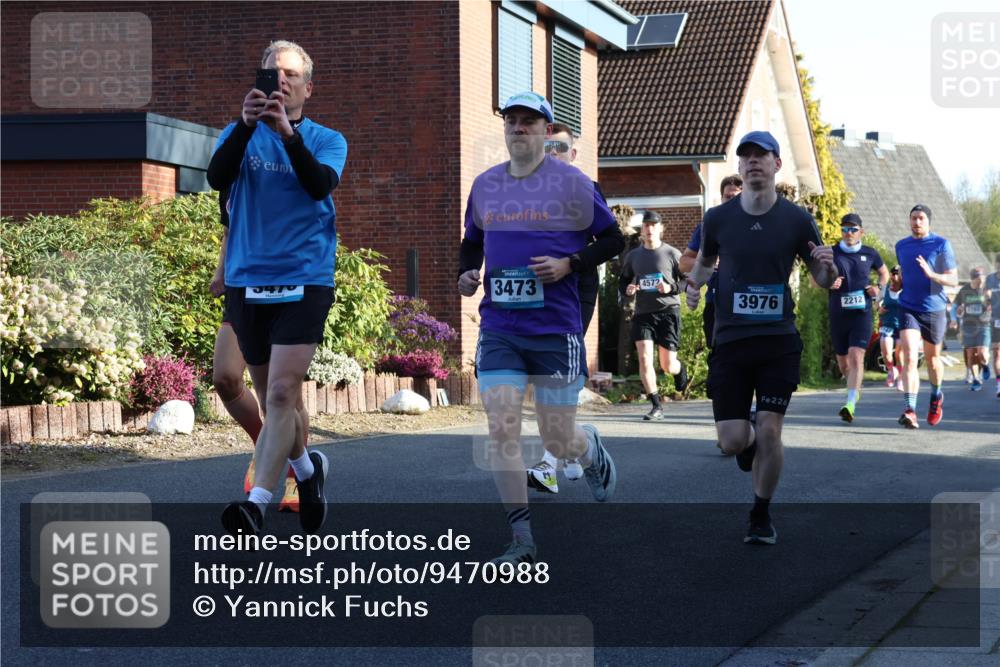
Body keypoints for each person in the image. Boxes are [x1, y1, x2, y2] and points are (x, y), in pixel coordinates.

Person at [457, 91, 624, 564]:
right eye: (512, 120)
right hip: (501, 327)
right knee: (502, 428)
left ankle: (587, 447)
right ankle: (521, 539)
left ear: (547, 132)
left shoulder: (573, 183)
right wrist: (467, 274)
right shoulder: (486, 185)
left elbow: (612, 238)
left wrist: (570, 263)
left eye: (529, 121)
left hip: (555, 328)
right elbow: (472, 243)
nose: (519, 128)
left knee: (557, 439)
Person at [207, 40, 348, 536]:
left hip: (305, 277)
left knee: (284, 393)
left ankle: (257, 503)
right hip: (249, 281)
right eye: (272, 73)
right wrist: (246, 128)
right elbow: (215, 178)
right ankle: (309, 474)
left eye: (290, 75)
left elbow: (317, 184)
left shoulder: (329, 139)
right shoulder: (237, 134)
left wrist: (288, 135)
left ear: (307, 87)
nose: (280, 81)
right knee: (271, 399)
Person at [687, 131, 838, 545]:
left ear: (776, 165)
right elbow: (703, 263)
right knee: (733, 440)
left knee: (772, 431)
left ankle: (760, 514)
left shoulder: (796, 219)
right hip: (731, 341)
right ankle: (750, 437)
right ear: (739, 167)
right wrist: (692, 287)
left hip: (777, 341)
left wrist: (827, 267)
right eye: (747, 157)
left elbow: (824, 279)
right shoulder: (718, 219)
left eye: (762, 156)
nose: (754, 162)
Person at [524, 122, 613, 492]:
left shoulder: (585, 188)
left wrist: (572, 262)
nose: (552, 154)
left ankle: (549, 461)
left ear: (573, 154)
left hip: (576, 286)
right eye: (546, 148)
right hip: (536, 287)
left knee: (562, 370)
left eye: (559, 148)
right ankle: (571, 446)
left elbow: (609, 241)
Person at [209, 189, 306, 513]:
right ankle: (263, 445)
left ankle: (297, 478)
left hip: (287, 291)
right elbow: (229, 230)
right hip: (242, 292)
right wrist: (220, 271)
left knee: (286, 395)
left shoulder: (286, 169)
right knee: (225, 378)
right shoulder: (233, 176)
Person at [894, 204, 958, 429]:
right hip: (908, 306)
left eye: (921, 218)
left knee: (932, 360)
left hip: (934, 308)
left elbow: (953, 280)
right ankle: (910, 410)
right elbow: (903, 277)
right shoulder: (901, 246)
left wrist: (932, 274)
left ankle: (936, 396)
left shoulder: (941, 245)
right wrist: (897, 283)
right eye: (913, 218)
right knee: (911, 356)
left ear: (928, 221)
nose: (916, 222)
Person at [620, 211, 688, 421]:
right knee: (644, 357)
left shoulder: (672, 254)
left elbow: (687, 282)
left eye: (653, 225)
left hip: (668, 312)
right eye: (646, 225)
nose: (649, 229)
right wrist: (628, 290)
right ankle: (656, 405)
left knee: (668, 365)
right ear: (642, 230)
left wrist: (670, 287)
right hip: (643, 313)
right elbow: (624, 282)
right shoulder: (633, 256)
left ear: (660, 228)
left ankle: (679, 370)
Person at [826, 213, 888, 422]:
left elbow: (884, 274)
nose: (848, 233)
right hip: (838, 315)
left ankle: (850, 403)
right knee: (844, 365)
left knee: (856, 356)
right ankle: (854, 388)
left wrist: (878, 288)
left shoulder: (870, 253)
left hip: (861, 315)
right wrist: (827, 282)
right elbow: (815, 280)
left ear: (861, 231)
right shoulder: (832, 252)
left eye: (853, 229)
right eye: (844, 229)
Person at [680, 174, 743, 347]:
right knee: (717, 358)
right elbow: (684, 262)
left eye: (737, 197)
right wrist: (708, 263)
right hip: (714, 302)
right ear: (721, 198)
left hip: (744, 303)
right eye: (728, 197)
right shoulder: (708, 226)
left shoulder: (756, 226)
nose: (731, 201)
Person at [956, 267, 992, 391]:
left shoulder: (987, 290)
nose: (981, 281)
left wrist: (989, 305)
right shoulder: (964, 290)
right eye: (978, 279)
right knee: (970, 355)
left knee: (981, 352)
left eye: (982, 278)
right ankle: (976, 379)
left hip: (983, 325)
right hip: (968, 326)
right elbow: (957, 305)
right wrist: (957, 312)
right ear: (973, 279)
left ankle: (986, 365)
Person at [877, 266, 904, 390]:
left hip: (902, 327)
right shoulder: (885, 289)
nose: (895, 277)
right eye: (893, 274)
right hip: (887, 325)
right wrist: (879, 309)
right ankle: (891, 370)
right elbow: (876, 304)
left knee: (900, 355)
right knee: (887, 353)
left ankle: (901, 379)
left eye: (897, 274)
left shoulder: (906, 291)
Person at [987, 254, 1000, 397]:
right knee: (997, 353)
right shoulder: (990, 279)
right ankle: (999, 384)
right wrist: (987, 301)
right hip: (996, 320)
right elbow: (986, 296)